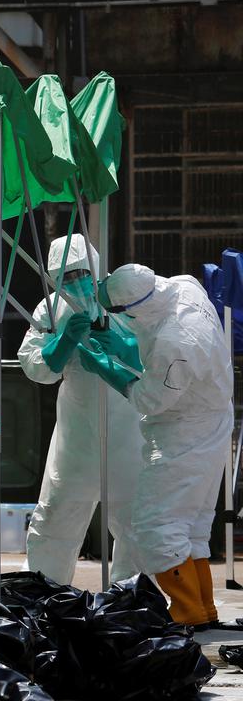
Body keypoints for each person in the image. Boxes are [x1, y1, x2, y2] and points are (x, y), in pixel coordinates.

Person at [91, 263, 233, 628]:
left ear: (133, 309)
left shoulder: (176, 341)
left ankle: (185, 609)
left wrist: (109, 368)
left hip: (186, 428)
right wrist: (127, 345)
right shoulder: (183, 287)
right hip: (213, 414)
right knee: (193, 522)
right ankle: (203, 609)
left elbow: (150, 399)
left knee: (157, 523)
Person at [17, 236, 143, 585]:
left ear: (97, 269)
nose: (76, 282)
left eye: (82, 273)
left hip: (127, 425)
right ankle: (45, 595)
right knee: (56, 514)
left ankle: (129, 598)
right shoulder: (49, 309)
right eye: (66, 277)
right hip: (76, 429)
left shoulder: (122, 298)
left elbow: (153, 352)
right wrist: (63, 342)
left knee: (133, 519)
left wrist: (123, 347)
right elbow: (35, 366)